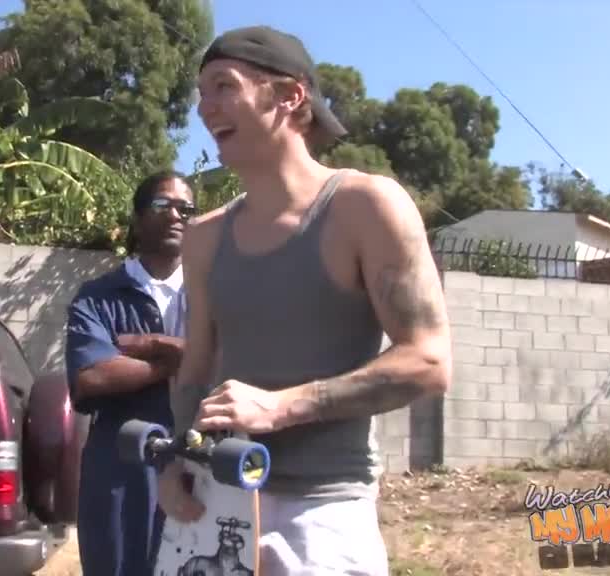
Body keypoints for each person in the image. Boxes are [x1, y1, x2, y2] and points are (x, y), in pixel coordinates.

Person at [158, 26, 454, 575]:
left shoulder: (366, 207)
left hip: (323, 513)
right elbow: (196, 366)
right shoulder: (203, 238)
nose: (204, 108)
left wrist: (281, 406)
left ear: (290, 96)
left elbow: (429, 362)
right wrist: (179, 457)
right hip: (215, 501)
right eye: (201, 93)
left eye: (224, 86)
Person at [64, 170, 198, 576]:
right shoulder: (99, 296)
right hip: (122, 471)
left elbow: (235, 361)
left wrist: (155, 345)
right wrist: (181, 358)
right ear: (138, 220)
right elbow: (92, 376)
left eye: (186, 209)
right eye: (162, 204)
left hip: (198, 465)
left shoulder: (212, 293)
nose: (175, 215)